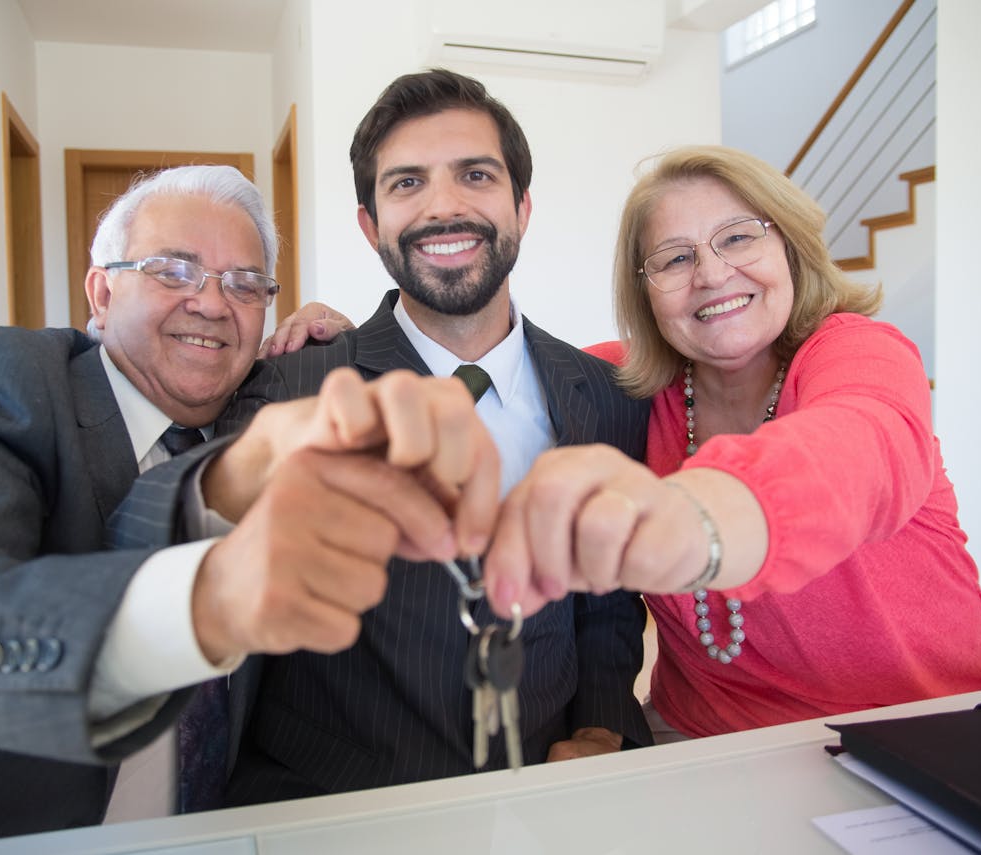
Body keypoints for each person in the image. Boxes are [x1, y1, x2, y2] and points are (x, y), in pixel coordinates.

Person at [0, 164, 498, 852]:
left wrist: (326, 332)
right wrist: (204, 597)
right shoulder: (2, 379)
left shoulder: (260, 409)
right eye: (173, 270)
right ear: (101, 291)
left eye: (245, 284)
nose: (212, 302)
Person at [111, 68, 653, 812]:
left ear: (521, 206)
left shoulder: (607, 396)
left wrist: (600, 725)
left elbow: (609, 602)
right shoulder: (289, 387)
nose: (444, 206)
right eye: (406, 184)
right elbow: (178, 545)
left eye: (475, 174)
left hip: (548, 803)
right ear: (370, 225)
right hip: (328, 809)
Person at [483, 144, 981, 741]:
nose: (712, 273)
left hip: (938, 728)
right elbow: (497, 378)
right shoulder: (621, 387)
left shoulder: (859, 352)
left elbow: (860, 449)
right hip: (705, 739)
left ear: (790, 246)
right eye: (675, 259)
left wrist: (691, 516)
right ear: (644, 291)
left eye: (739, 237)